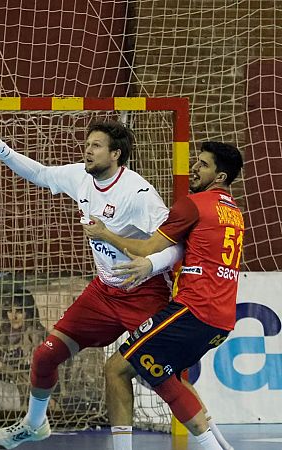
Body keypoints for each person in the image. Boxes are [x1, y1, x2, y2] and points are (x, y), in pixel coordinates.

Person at [0, 108, 230, 449]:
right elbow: (39, 173)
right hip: (103, 291)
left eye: (96, 145)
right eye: (87, 143)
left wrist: (149, 266)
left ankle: (216, 443)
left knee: (164, 376)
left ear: (115, 154)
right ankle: (34, 424)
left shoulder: (138, 194)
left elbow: (175, 247)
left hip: (143, 293)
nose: (88, 150)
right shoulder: (79, 178)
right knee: (45, 356)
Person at [83, 142, 244, 450]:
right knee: (165, 376)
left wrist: (105, 234)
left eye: (204, 165)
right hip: (221, 319)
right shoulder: (235, 212)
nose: (194, 168)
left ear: (220, 176)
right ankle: (221, 445)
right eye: (196, 161)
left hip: (193, 311)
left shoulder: (193, 205)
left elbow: (144, 247)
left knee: (116, 369)